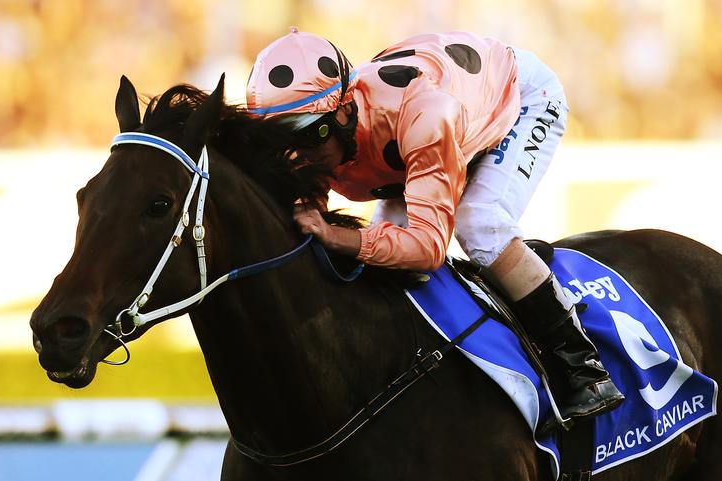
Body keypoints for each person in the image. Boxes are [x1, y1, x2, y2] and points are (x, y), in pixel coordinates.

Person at [246, 28, 623, 426]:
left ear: (345, 108)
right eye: (283, 142)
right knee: (383, 264)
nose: (299, 155)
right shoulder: (316, 138)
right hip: (426, 128)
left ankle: (584, 366)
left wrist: (336, 234)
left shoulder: (422, 115)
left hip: (517, 100)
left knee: (480, 223)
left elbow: (427, 249)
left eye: (313, 134)